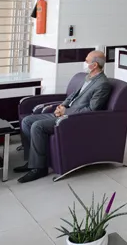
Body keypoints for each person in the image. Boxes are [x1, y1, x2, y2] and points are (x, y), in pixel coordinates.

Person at [16, 50, 112, 183]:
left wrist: (66, 112)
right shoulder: (88, 77)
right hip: (65, 113)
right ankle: (32, 161)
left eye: (86, 60)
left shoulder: (102, 84)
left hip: (73, 119)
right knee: (27, 121)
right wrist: (62, 106)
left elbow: (91, 110)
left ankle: (39, 168)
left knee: (38, 126)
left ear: (94, 65)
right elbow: (73, 95)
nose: (84, 62)